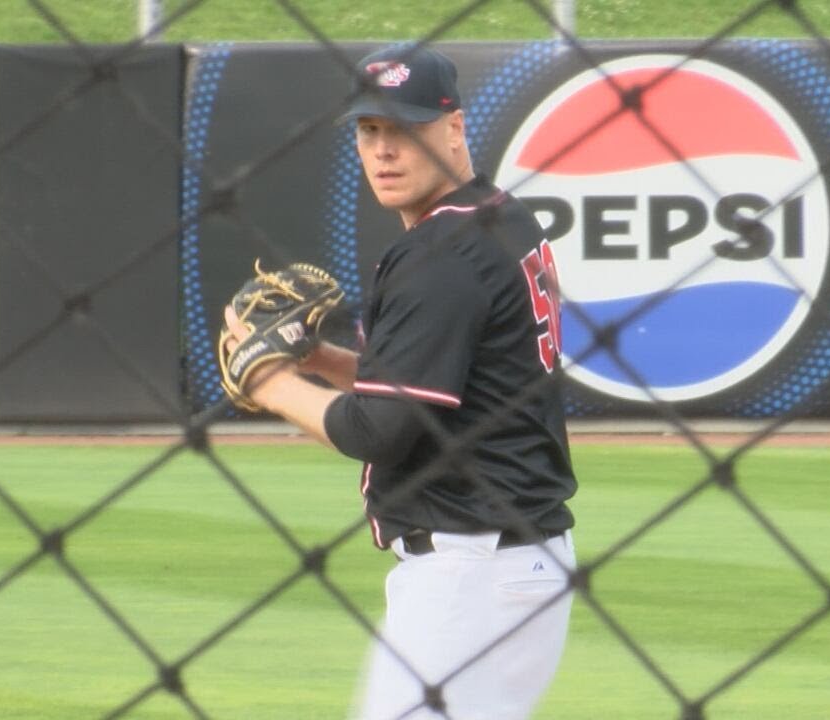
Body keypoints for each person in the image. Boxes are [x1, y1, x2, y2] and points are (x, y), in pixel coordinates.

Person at [222, 44, 578, 720]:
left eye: (404, 130)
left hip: (470, 578)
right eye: (370, 131)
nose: (384, 151)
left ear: (453, 129)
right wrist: (322, 362)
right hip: (520, 565)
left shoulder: (438, 258)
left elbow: (380, 431)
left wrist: (267, 382)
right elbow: (441, 387)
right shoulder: (501, 217)